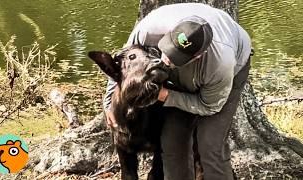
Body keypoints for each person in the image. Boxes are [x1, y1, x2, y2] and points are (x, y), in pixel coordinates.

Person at [103, 3, 252, 180]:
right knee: (173, 145)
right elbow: (121, 66)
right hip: (180, 79)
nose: (164, 59)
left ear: (198, 55)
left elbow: (209, 106)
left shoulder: (220, 64)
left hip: (219, 85)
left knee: (209, 146)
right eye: (168, 48)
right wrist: (109, 103)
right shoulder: (149, 29)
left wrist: (166, 96)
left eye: (175, 57)